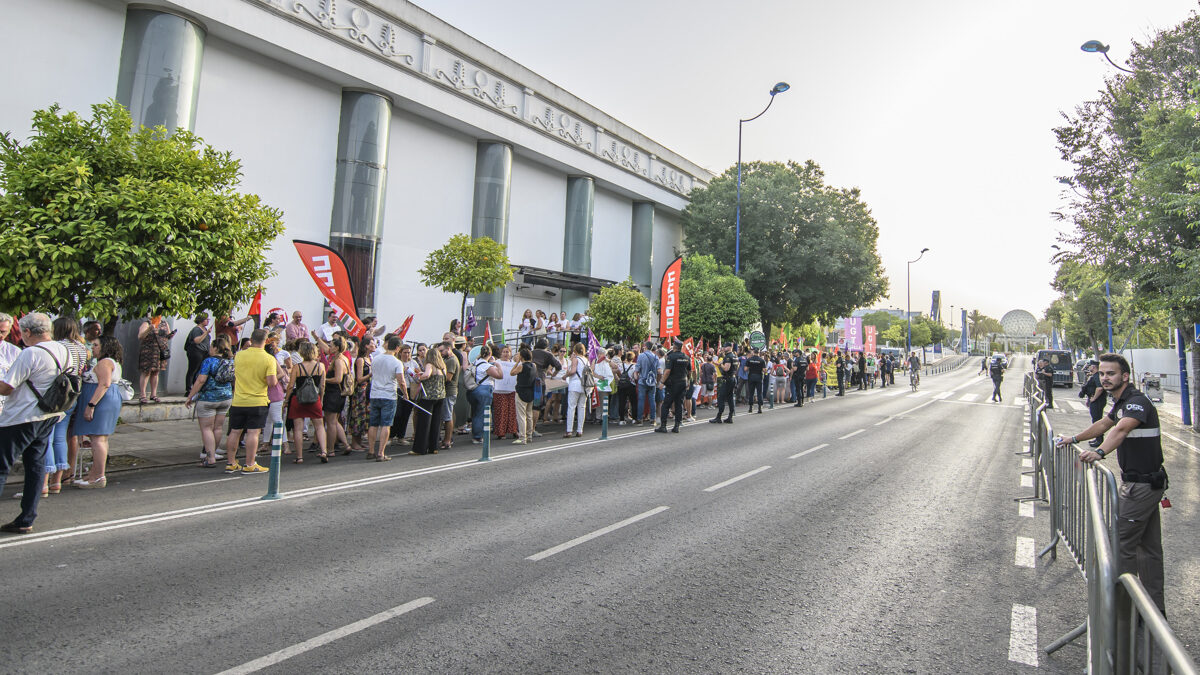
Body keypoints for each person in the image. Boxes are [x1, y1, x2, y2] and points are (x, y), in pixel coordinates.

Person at [1057, 353, 1168, 614]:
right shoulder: (1121, 403)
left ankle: (1122, 613)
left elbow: (1120, 429)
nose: (1105, 378)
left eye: (1111, 374)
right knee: (1149, 551)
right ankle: (1154, 612)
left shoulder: (1136, 402)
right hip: (1145, 484)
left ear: (1125, 376)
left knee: (1120, 547)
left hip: (1141, 487)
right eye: (1102, 374)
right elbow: (1104, 425)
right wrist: (1074, 438)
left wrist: (1100, 453)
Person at [0, 314, 70, 533]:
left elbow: (6, 388)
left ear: (28, 332)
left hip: (21, 417)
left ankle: (25, 519)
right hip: (49, 414)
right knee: (35, 466)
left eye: (23, 333)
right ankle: (26, 518)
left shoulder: (30, 353)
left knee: (2, 466)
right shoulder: (63, 349)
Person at [43, 317, 91, 495]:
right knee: (61, 436)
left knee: (47, 435)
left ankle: (44, 480)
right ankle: (58, 480)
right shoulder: (81, 347)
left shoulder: (59, 346)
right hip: (73, 394)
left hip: (57, 393)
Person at [223, 329, 278, 473]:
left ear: (252, 339)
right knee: (253, 432)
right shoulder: (268, 358)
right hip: (258, 400)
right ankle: (250, 463)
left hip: (239, 400)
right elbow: (272, 382)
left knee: (234, 431)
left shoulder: (239, 355)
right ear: (266, 341)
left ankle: (231, 462)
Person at [185, 337, 235, 467]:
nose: (209, 349)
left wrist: (190, 396)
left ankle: (210, 457)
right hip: (226, 397)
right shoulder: (230, 361)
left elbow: (201, 380)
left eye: (211, 347)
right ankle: (215, 451)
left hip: (208, 398)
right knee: (218, 427)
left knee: (207, 428)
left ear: (216, 348)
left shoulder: (209, 361)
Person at [367, 335, 406, 461]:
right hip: (389, 395)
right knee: (386, 424)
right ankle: (381, 453)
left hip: (375, 394)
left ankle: (371, 450)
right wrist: (405, 394)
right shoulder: (396, 362)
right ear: (397, 348)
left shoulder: (376, 358)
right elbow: (401, 381)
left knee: (373, 424)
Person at [410, 345, 447, 455]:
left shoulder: (430, 365)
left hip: (428, 396)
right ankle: (433, 447)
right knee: (436, 422)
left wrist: (418, 377)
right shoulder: (442, 366)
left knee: (424, 422)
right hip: (440, 396)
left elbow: (427, 375)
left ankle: (420, 448)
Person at [322, 335, 352, 456]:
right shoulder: (342, 358)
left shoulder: (339, 360)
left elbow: (338, 379)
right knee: (334, 421)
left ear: (337, 347)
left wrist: (324, 380)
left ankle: (331, 450)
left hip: (334, 393)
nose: (329, 347)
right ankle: (346, 445)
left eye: (331, 345)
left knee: (331, 422)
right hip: (336, 394)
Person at [468, 344, 503, 444]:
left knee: (475, 413)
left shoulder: (475, 363)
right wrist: (498, 365)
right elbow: (499, 376)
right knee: (481, 414)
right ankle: (478, 436)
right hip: (484, 390)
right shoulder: (486, 366)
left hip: (473, 389)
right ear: (490, 354)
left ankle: (475, 434)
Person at [137, 315, 176, 403]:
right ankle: (142, 395)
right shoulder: (147, 323)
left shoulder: (164, 323)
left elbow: (167, 336)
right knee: (146, 372)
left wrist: (171, 335)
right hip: (149, 351)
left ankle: (153, 394)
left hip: (160, 351)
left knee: (156, 372)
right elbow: (140, 336)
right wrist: (149, 329)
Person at [655, 339, 691, 433]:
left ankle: (663, 426)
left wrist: (662, 382)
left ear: (674, 346)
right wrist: (688, 381)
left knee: (666, 404)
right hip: (683, 382)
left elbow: (667, 371)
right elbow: (689, 371)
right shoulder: (686, 357)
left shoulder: (671, 357)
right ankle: (677, 426)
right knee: (679, 404)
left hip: (673, 383)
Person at [347, 337, 374, 451]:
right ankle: (354, 442)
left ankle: (359, 440)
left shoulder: (370, 358)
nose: (374, 345)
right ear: (366, 346)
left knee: (365, 417)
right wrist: (371, 374)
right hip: (360, 391)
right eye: (372, 343)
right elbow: (359, 379)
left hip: (368, 391)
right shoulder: (360, 360)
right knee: (358, 415)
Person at [491, 345, 519, 440]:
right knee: (501, 412)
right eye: (504, 352)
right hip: (499, 390)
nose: (506, 354)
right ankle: (501, 432)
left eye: (508, 352)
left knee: (512, 411)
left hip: (511, 389)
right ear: (500, 353)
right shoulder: (496, 363)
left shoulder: (514, 363)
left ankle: (513, 430)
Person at [511, 346, 537, 444]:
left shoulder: (522, 366)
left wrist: (517, 362)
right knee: (529, 415)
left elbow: (512, 373)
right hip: (531, 392)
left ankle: (522, 437)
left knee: (521, 415)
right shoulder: (534, 365)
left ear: (522, 357)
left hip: (521, 391)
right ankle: (529, 435)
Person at [562, 342, 589, 438]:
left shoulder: (575, 359)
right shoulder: (586, 360)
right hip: (585, 386)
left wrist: (565, 375)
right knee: (582, 407)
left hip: (575, 384)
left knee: (571, 407)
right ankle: (580, 430)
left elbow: (573, 371)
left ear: (575, 350)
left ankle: (569, 430)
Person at [437, 339, 460, 450]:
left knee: (447, 416)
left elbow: (448, 378)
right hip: (447, 391)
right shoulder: (447, 359)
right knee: (446, 415)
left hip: (449, 391)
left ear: (448, 349)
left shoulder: (451, 360)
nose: (440, 353)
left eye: (442, 351)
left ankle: (447, 440)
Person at [1081, 360, 1107, 447]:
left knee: (1097, 421)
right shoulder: (1095, 375)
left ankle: (1099, 440)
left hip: (1098, 401)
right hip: (1096, 400)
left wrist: (1094, 399)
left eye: (1090, 366)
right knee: (1095, 420)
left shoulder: (1097, 376)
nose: (1089, 367)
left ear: (1094, 367)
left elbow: (1100, 388)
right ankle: (1097, 438)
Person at [184, 313, 212, 392]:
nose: (208, 321)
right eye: (206, 319)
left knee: (200, 370)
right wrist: (206, 333)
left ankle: (197, 387)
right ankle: (189, 388)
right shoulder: (197, 329)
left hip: (204, 352)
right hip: (196, 351)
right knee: (193, 369)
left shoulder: (204, 329)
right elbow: (197, 340)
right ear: (201, 320)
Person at [710, 343, 737, 423]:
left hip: (728, 379)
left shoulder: (728, 357)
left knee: (721, 397)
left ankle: (719, 417)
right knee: (730, 398)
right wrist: (719, 364)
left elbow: (726, 368)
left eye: (725, 347)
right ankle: (730, 416)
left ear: (730, 347)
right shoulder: (735, 356)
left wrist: (721, 364)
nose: (724, 348)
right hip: (732, 378)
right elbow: (735, 367)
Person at [634, 341, 659, 424]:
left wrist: (636, 377)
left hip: (642, 380)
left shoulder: (641, 356)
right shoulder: (656, 357)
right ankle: (653, 419)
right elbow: (659, 370)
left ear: (645, 347)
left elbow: (637, 369)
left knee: (641, 400)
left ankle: (639, 419)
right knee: (652, 400)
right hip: (652, 381)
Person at [744, 347, 766, 414]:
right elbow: (764, 370)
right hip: (759, 376)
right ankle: (759, 407)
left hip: (751, 376)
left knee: (751, 392)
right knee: (759, 392)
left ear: (753, 352)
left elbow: (745, 369)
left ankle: (751, 407)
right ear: (758, 353)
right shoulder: (762, 360)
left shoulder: (749, 359)